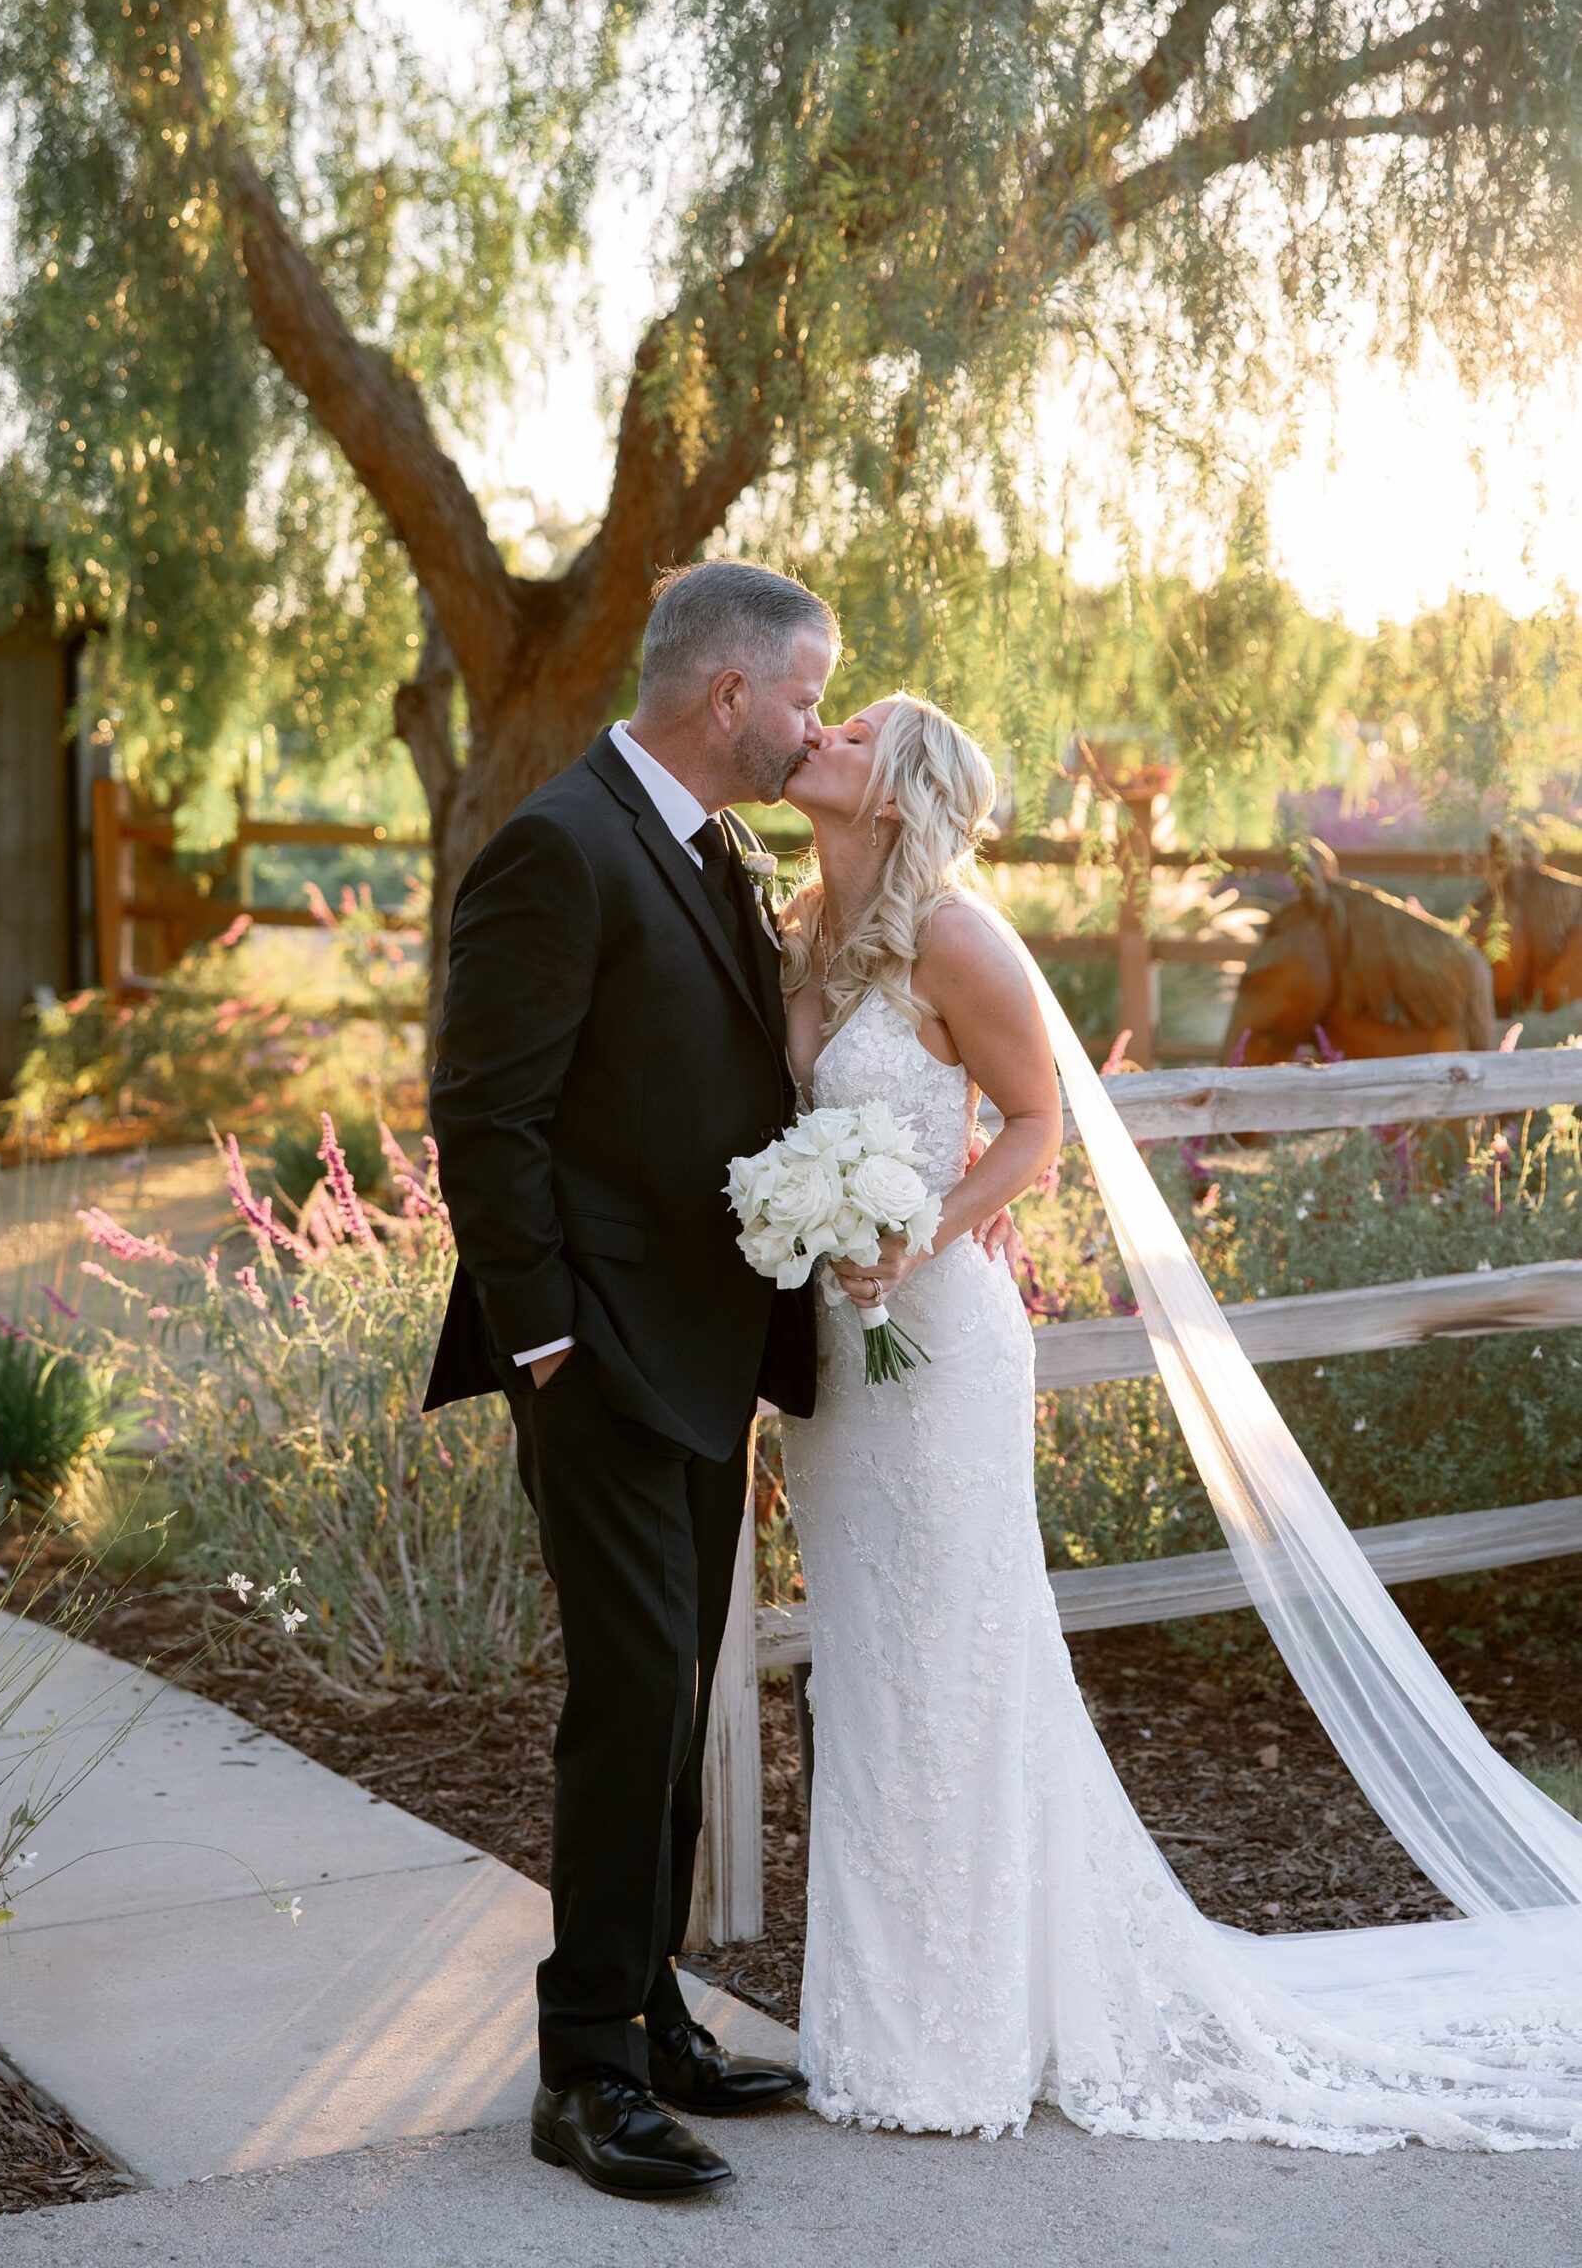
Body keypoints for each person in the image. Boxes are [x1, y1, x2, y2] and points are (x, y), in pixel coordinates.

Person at [779, 690, 1582, 2149]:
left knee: (958, 1665)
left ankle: (963, 2042)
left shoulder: (956, 937)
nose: (818, 737)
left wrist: (923, 1235)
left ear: (893, 793)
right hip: (832, 1369)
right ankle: (876, 2019)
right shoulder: (799, 933)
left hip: (938, 1345)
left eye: (850, 734)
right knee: (871, 1674)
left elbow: (1031, 1125)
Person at [426, 560, 831, 2199]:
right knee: (626, 1710)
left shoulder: (709, 847)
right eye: (804, 695)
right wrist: (544, 1346)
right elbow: (486, 1114)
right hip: (593, 1361)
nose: (814, 727)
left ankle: (650, 2012)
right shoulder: (558, 846)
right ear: (727, 694)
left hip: (705, 1354)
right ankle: (582, 2070)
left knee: (670, 1711)